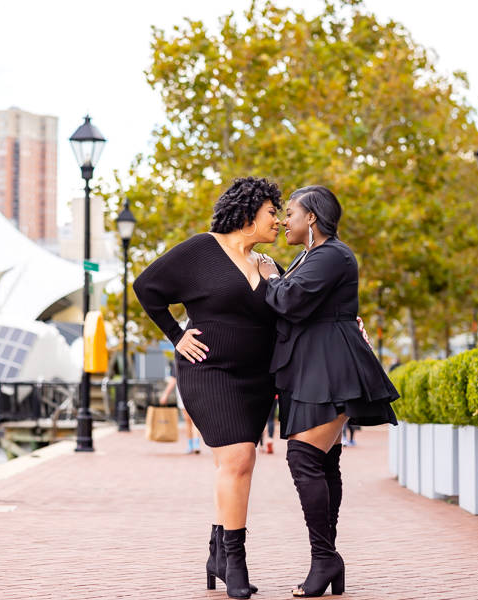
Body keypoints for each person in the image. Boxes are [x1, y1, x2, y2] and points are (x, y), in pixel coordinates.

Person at [133, 177, 283, 599]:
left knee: (235, 465)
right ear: (249, 213)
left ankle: (218, 553)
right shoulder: (202, 248)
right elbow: (147, 288)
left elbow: (294, 314)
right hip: (210, 371)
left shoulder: (270, 265)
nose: (277, 219)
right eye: (272, 211)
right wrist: (175, 334)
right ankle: (235, 561)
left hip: (258, 379)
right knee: (237, 458)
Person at [258, 185, 399, 598]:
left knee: (304, 457)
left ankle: (324, 558)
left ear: (312, 218)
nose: (284, 220)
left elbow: (291, 301)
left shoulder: (333, 254)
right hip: (312, 366)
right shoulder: (310, 256)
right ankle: (328, 559)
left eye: (290, 212)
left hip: (332, 365)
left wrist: (271, 277)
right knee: (324, 460)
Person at [158, 351, 200, 454]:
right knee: (191, 420)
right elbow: (173, 379)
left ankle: (193, 445)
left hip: (188, 392)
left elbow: (173, 379)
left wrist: (165, 395)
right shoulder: (183, 359)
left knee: (190, 420)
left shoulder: (181, 359)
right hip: (190, 392)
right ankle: (193, 444)